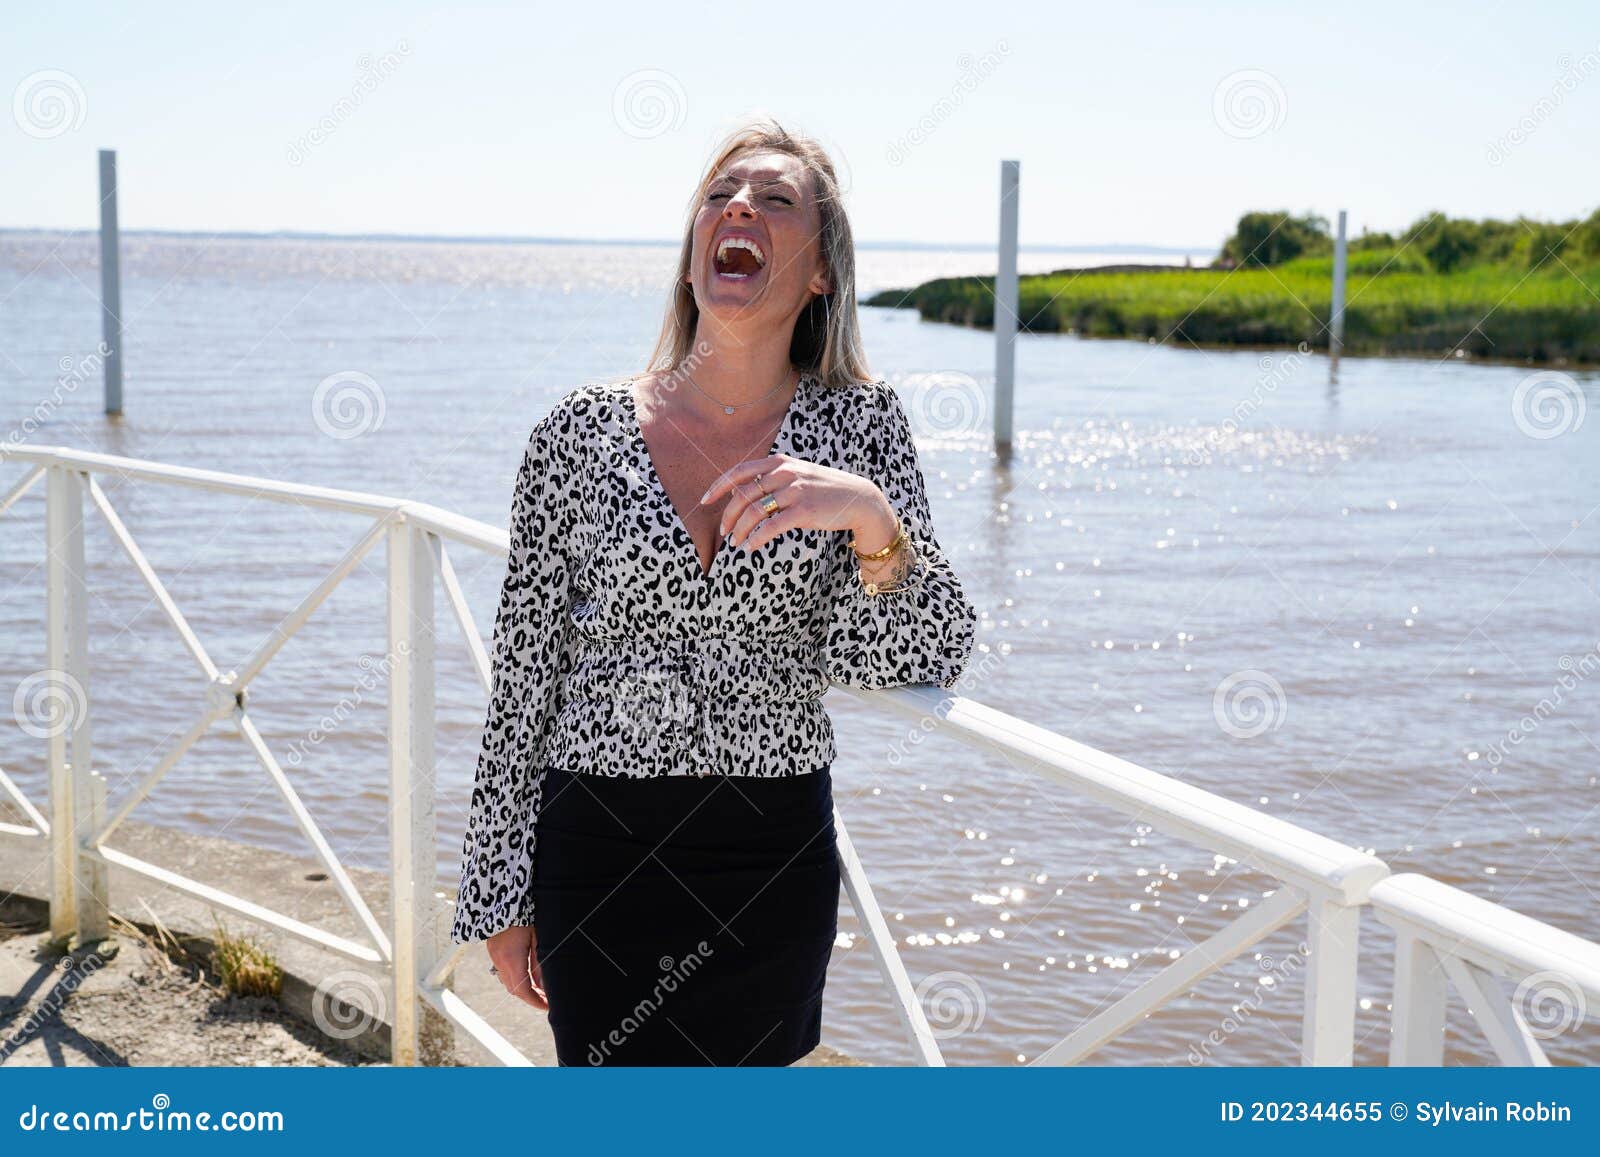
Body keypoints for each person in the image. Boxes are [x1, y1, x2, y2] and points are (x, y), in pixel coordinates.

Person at [449, 115, 979, 1066]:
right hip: (595, 842)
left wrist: (870, 519)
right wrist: (499, 891)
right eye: (720, 195)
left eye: (777, 200)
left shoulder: (861, 428)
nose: (739, 207)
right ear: (696, 249)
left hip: (768, 848)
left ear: (821, 272)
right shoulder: (578, 431)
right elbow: (524, 678)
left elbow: (917, 651)